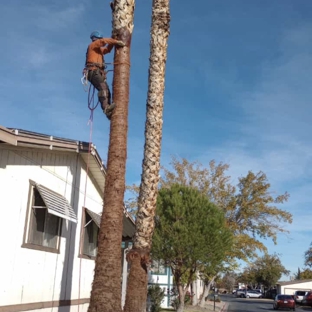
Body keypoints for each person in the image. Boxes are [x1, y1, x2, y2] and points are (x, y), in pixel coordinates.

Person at [84, 31, 125, 119]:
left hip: (97, 71)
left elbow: (107, 50)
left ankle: (109, 111)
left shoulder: (98, 50)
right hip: (93, 71)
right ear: (96, 39)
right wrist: (115, 41)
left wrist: (114, 41)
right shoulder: (93, 45)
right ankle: (106, 108)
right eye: (100, 39)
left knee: (107, 91)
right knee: (103, 88)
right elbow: (104, 42)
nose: (100, 41)